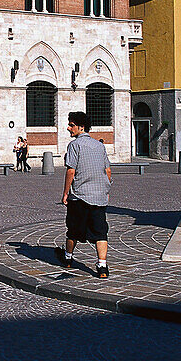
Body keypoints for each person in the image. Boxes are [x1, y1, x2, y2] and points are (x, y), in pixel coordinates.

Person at [55, 111, 112, 278]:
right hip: (99, 196)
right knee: (101, 231)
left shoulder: (74, 145)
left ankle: (68, 258)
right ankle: (102, 266)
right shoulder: (100, 146)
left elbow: (71, 171)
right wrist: (106, 190)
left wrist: (65, 193)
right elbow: (107, 171)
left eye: (71, 125)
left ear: (81, 127)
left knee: (73, 229)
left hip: (79, 195)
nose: (68, 128)